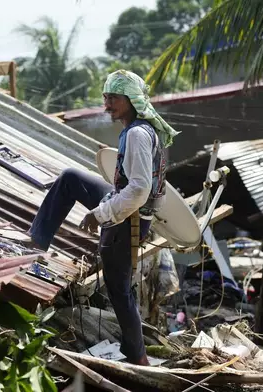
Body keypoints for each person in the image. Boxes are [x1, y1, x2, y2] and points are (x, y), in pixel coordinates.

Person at [26, 70, 179, 366]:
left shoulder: (137, 134)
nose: (107, 105)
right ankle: (37, 240)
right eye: (105, 98)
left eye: (114, 99)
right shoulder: (140, 128)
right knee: (70, 178)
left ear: (131, 100)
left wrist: (101, 213)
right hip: (125, 206)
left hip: (128, 217)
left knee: (119, 289)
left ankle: (138, 357)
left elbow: (140, 188)